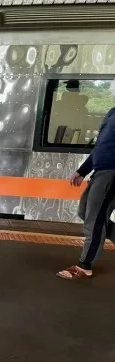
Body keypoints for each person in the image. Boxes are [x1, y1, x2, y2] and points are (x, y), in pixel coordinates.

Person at [57, 78, 115, 280]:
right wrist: (83, 170)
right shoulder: (112, 112)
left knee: (95, 218)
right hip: (100, 170)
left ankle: (84, 265)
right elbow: (102, 147)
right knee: (85, 212)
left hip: (112, 172)